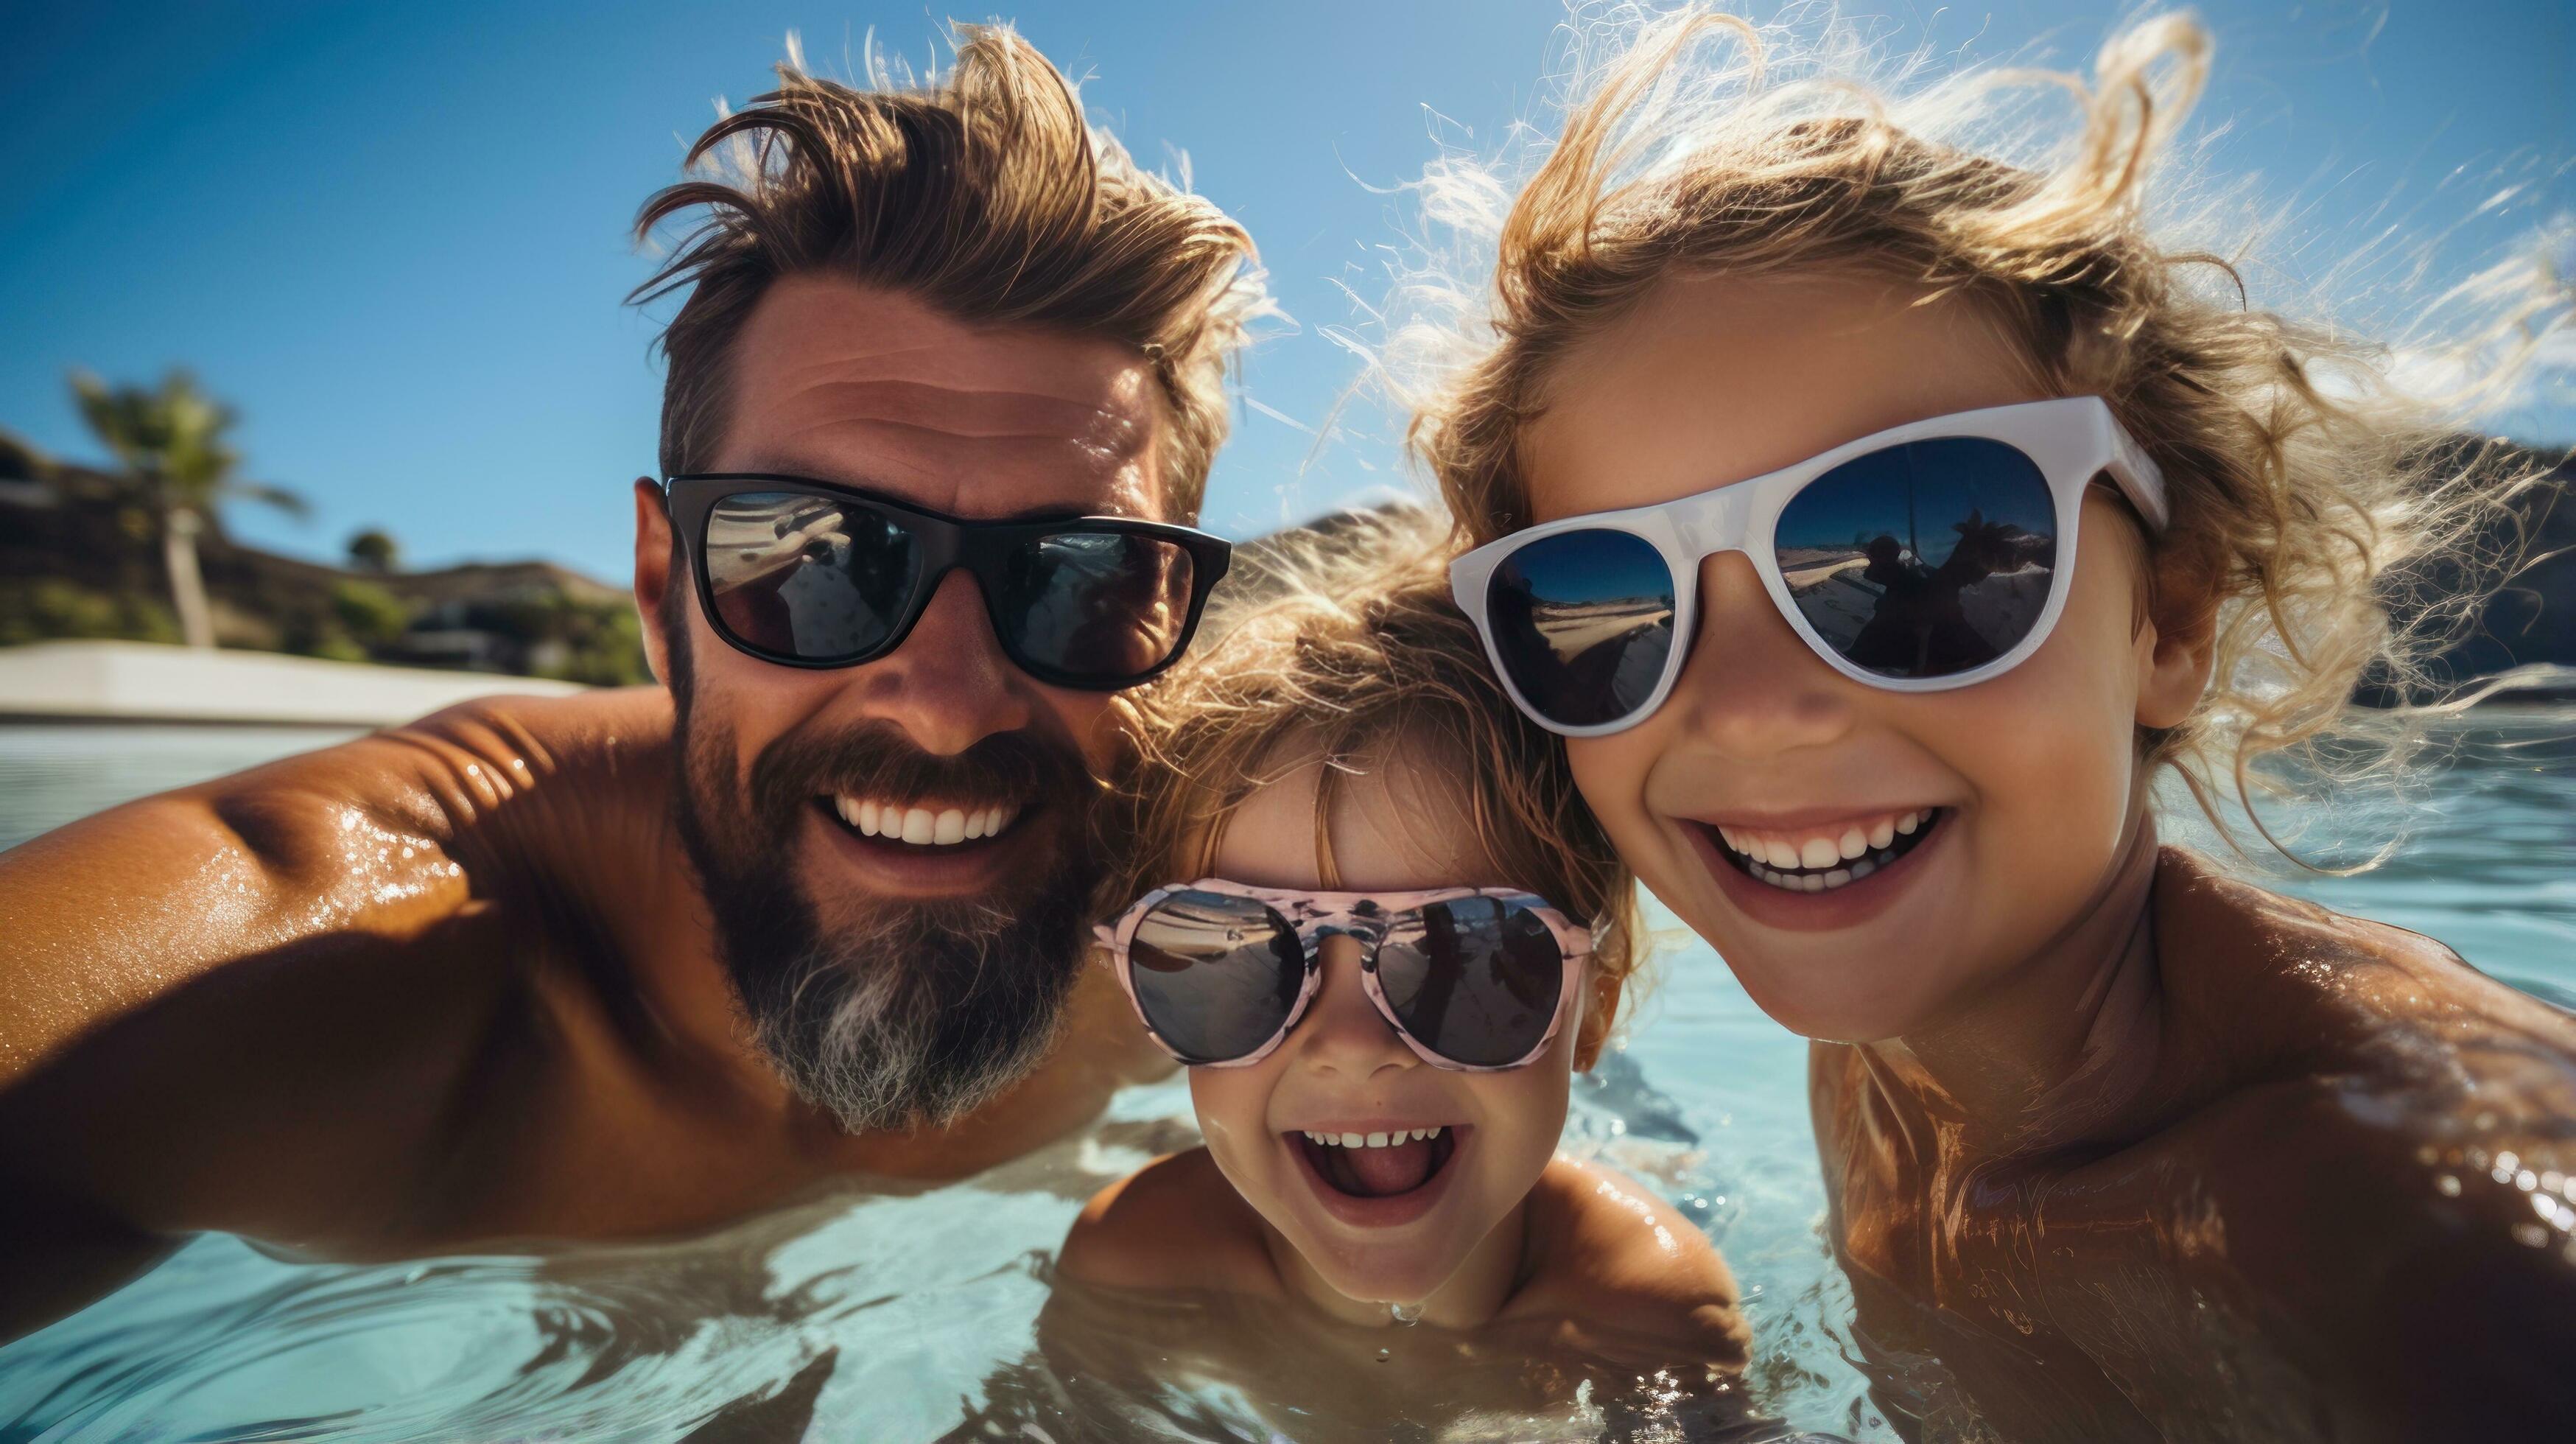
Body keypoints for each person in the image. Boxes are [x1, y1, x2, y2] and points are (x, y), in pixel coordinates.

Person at [1404, 8, 2576, 1440]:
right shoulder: (1874, 1059)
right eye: (1601, 606)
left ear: (2170, 616)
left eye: (1896, 552)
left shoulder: (2395, 1245)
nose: (1751, 705)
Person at [0, 24, 1266, 1342]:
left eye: (1079, 579)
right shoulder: (337, 972)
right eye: (815, 559)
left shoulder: (1241, 908)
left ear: (1174, 614)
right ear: (662, 587)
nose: (948, 703)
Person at [1046, 511, 1749, 1437]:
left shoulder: (1645, 1315)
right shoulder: (1139, 1263)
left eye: (1464, 954)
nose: (1350, 1046)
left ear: (1592, 1011)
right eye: (1230, 960)